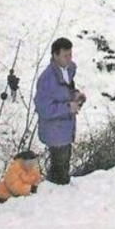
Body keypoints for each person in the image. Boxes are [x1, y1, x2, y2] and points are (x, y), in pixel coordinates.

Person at [35, 38, 86, 185]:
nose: (69, 59)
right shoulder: (46, 79)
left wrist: (76, 95)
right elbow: (42, 108)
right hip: (54, 131)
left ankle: (58, 195)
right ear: (55, 55)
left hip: (66, 128)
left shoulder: (69, 70)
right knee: (60, 171)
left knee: (63, 165)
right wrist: (68, 107)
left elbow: (65, 90)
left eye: (70, 54)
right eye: (65, 55)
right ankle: (58, 197)